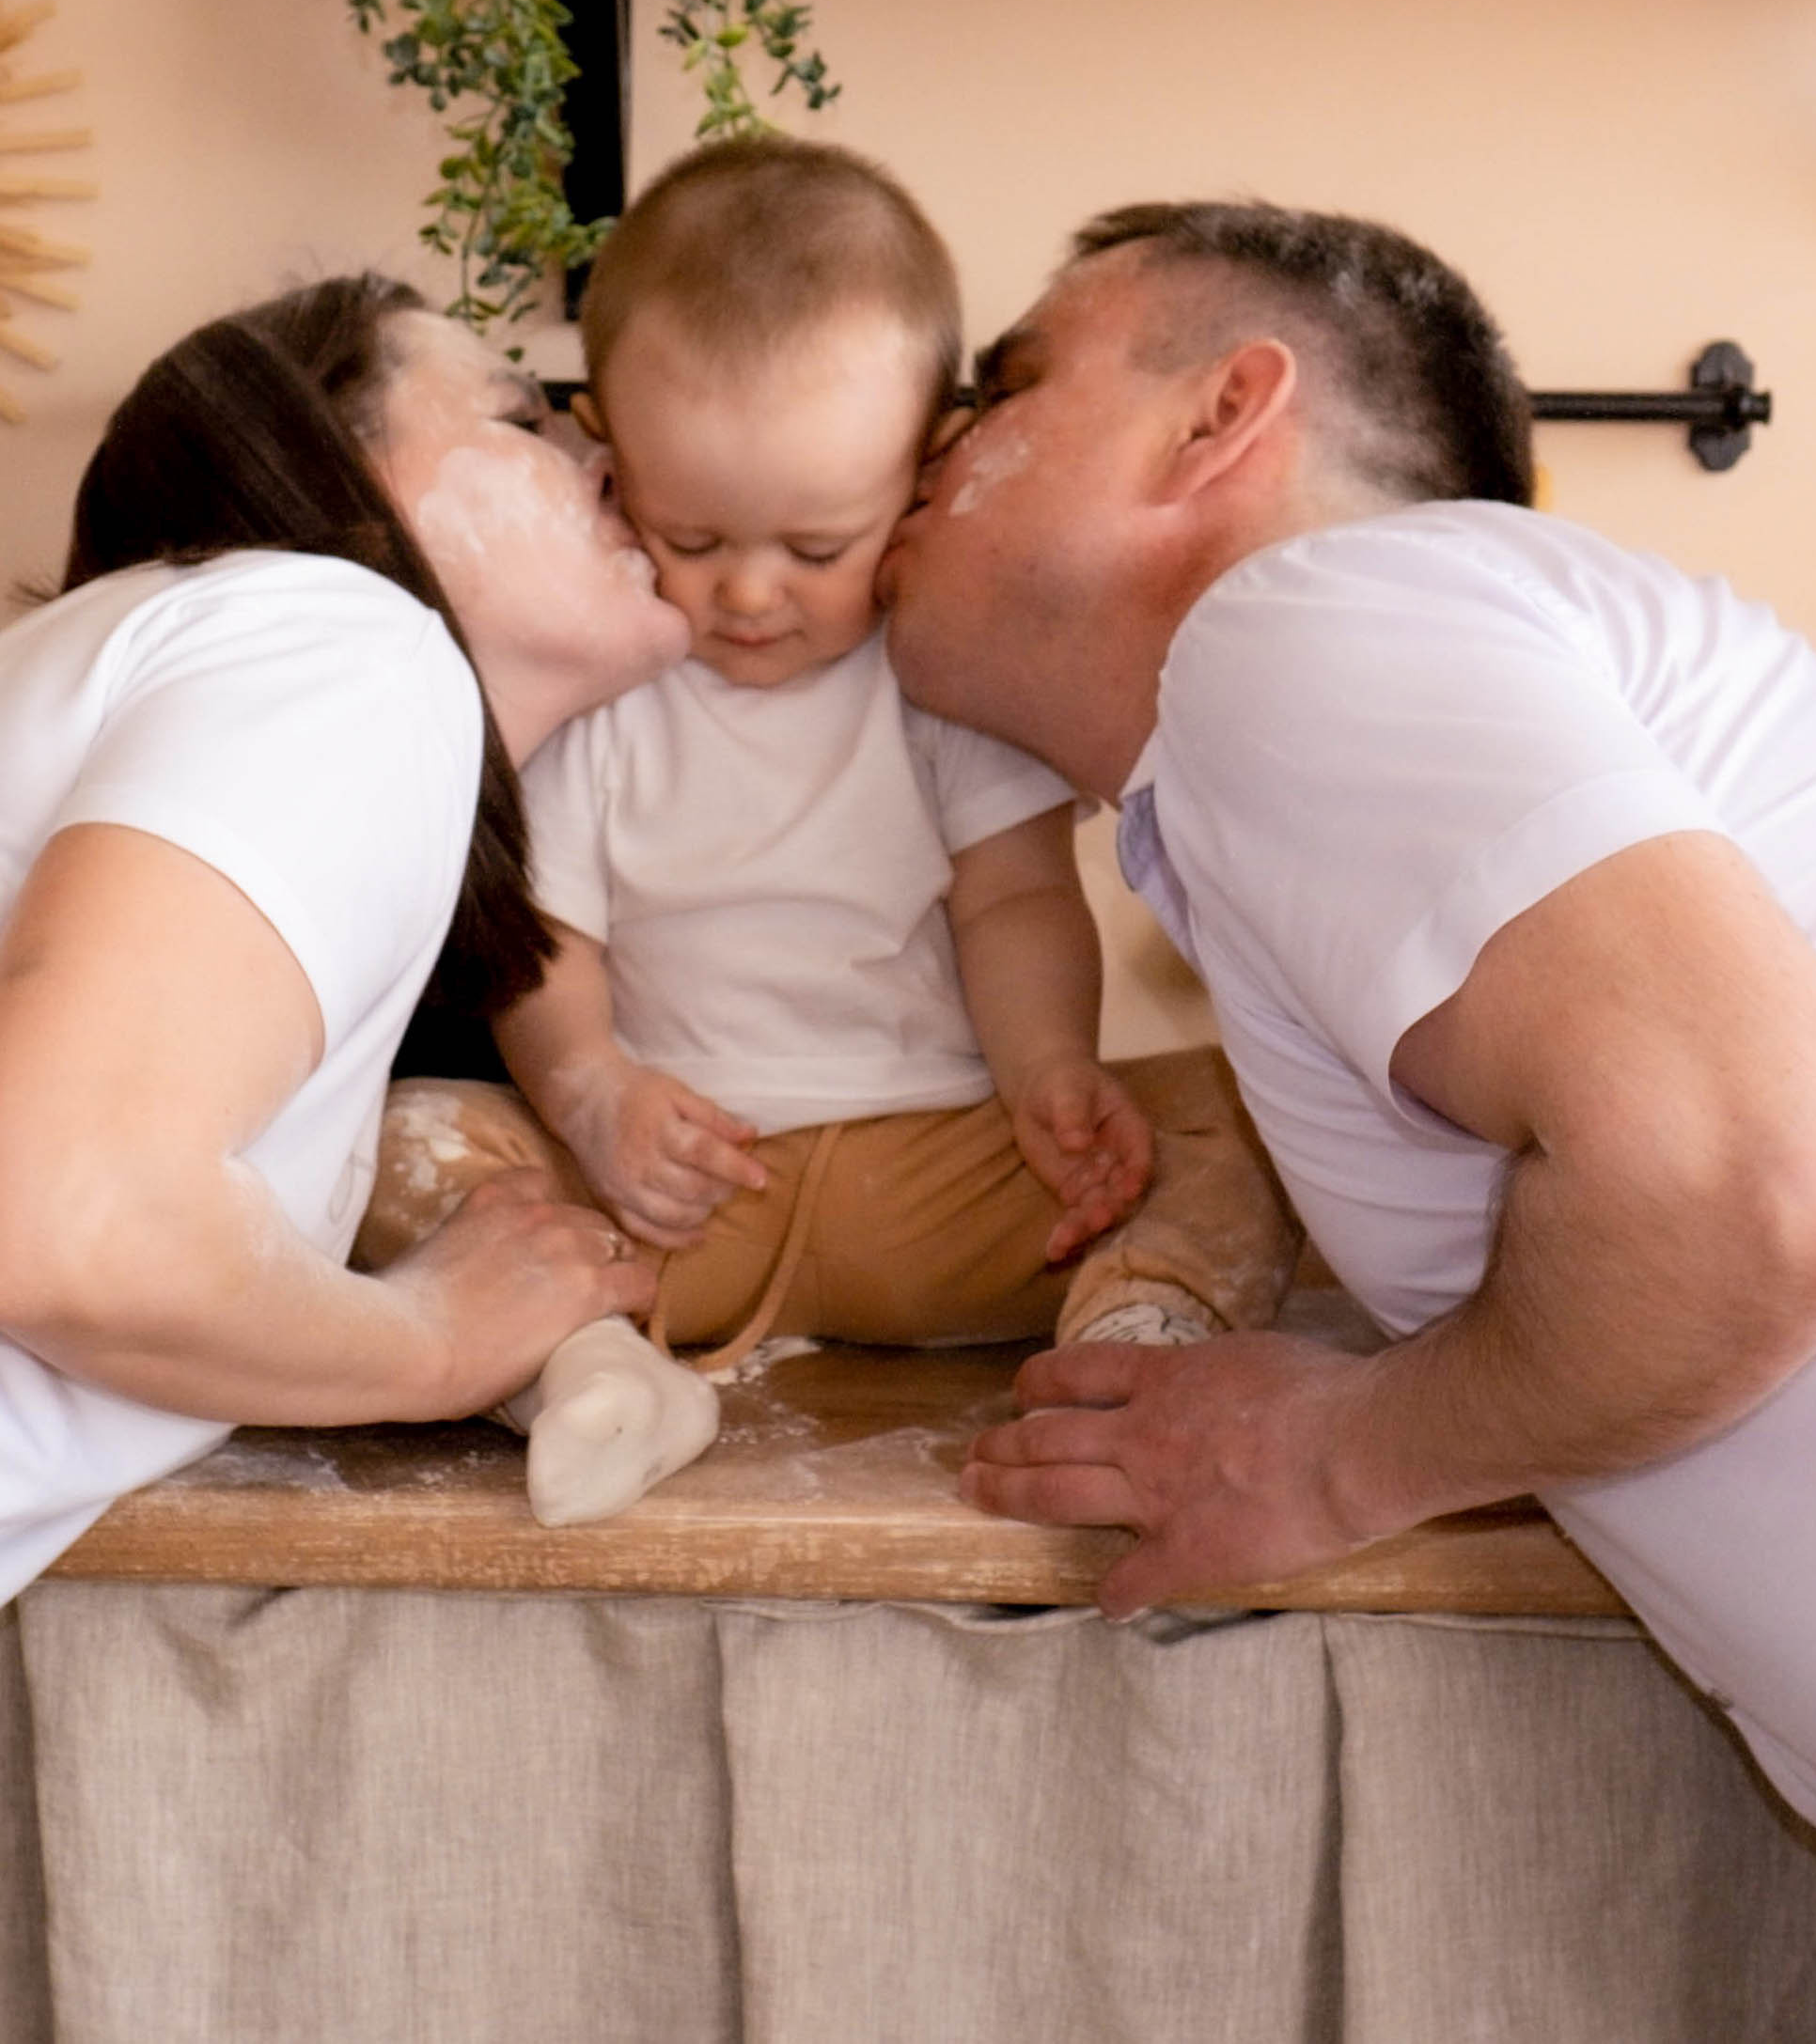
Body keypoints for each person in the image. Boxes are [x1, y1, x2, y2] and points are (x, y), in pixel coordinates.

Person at [884, 197, 1816, 1903]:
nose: (939, 444)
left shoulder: (1300, 623)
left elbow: (1771, 1188)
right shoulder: (1391, 683)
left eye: (1006, 384)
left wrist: (1336, 1455)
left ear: (1223, 416)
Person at [0, 271, 688, 1821]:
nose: (596, 445)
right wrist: (429, 1340)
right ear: (346, 480)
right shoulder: (347, 645)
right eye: (519, 410)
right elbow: (71, 1223)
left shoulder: (245, 676)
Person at [360, 141, 1297, 1527]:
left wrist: (1047, 1073)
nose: (745, 591)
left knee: (1250, 1109)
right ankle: (592, 1370)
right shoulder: (609, 679)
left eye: (815, 548)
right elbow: (548, 935)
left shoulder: (940, 671)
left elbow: (1013, 896)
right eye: (688, 534)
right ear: (608, 460)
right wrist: (588, 1092)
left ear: (921, 476)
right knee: (395, 1136)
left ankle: (1129, 1343)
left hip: (947, 1171)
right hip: (668, 1201)